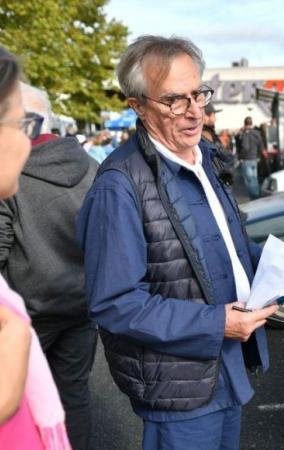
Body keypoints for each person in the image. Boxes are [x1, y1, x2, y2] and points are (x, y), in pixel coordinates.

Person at [76, 35, 278, 450]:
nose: (194, 113)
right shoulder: (119, 186)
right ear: (136, 105)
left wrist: (283, 271)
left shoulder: (206, 158)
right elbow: (114, 303)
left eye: (198, 95)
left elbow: (226, 248)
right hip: (179, 385)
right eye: (174, 101)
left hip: (226, 367)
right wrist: (216, 323)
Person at [0, 82, 99, 450]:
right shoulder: (89, 165)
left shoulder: (10, 171)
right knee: (73, 394)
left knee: (23, 402)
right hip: (82, 302)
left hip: (27, 312)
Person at [0, 45, 71, 450]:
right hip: (76, 302)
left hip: (41, 299)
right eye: (19, 123)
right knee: (76, 390)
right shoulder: (96, 169)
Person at [237, 116, 263, 199]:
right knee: (254, 179)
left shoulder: (245, 133)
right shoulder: (257, 133)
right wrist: (258, 156)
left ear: (244, 124)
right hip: (255, 158)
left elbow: (245, 147)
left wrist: (241, 157)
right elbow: (261, 146)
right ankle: (257, 196)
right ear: (252, 123)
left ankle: (254, 198)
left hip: (246, 159)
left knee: (249, 181)